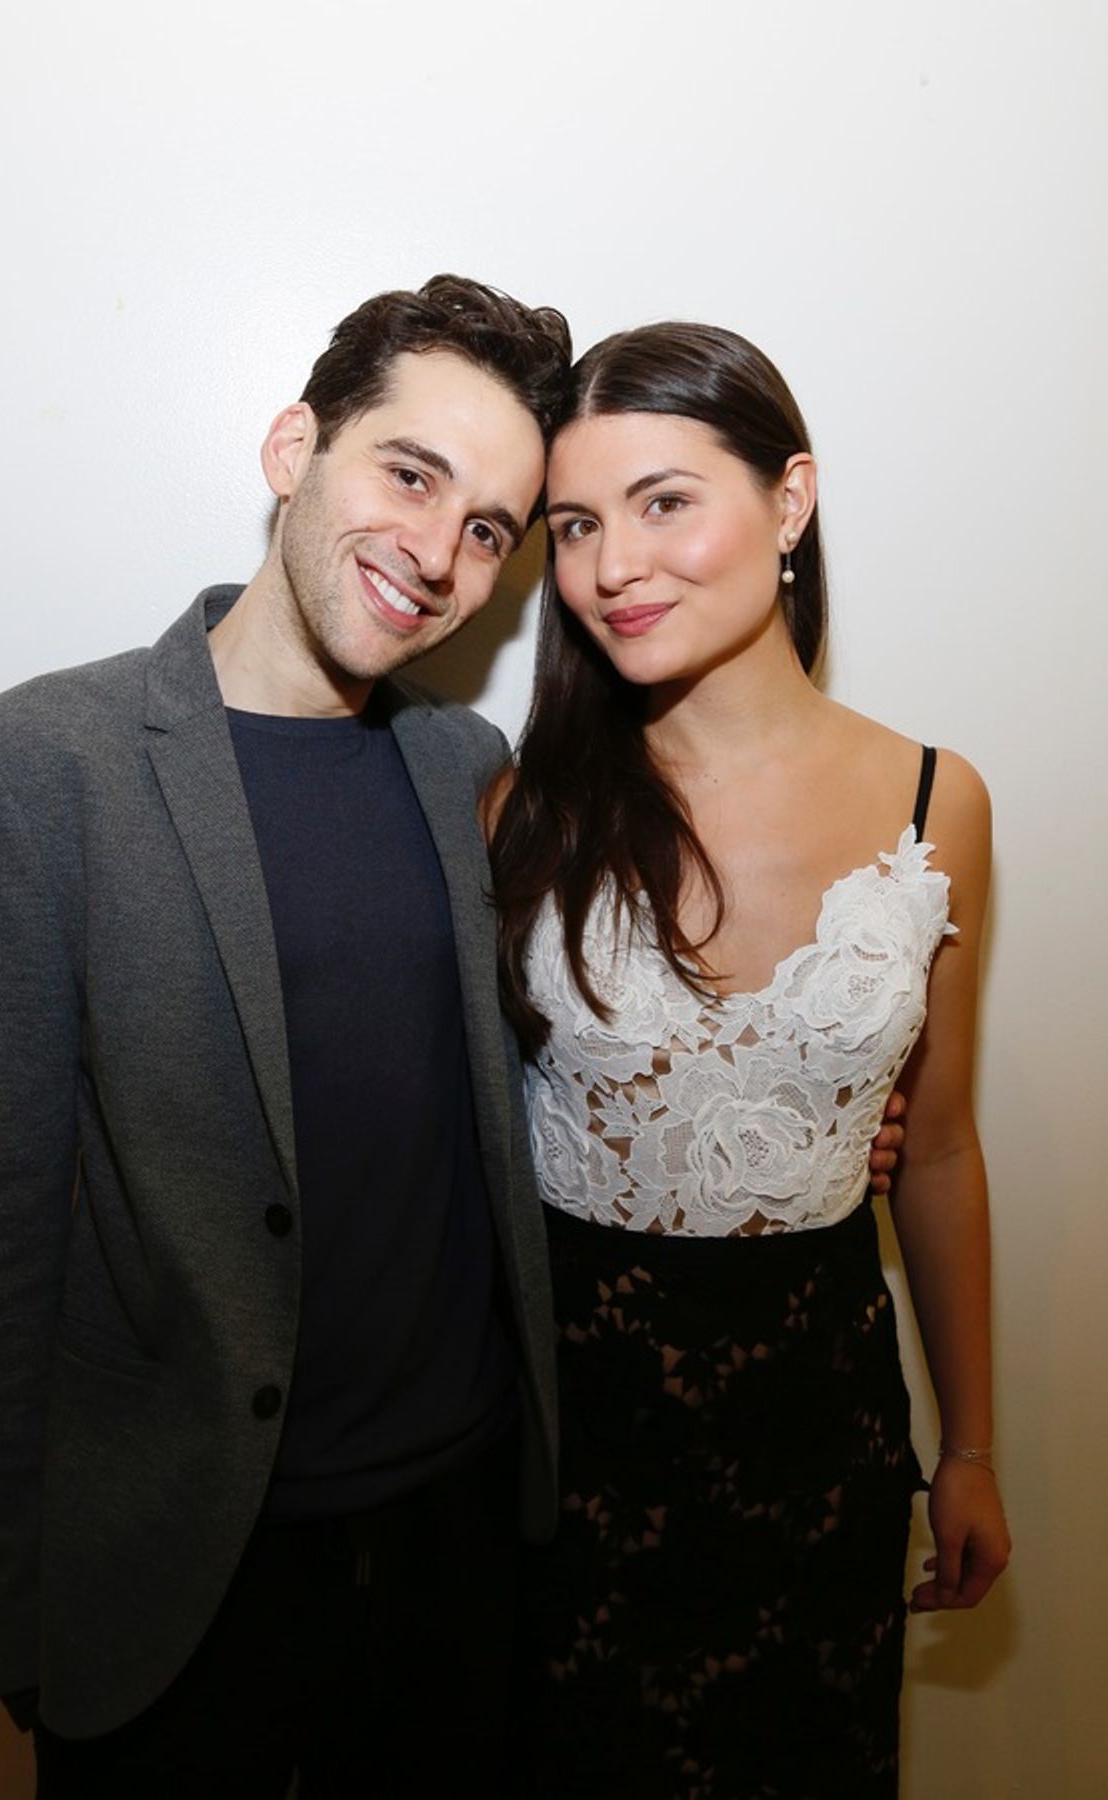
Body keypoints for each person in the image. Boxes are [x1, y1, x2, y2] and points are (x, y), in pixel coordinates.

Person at [0, 274, 573, 1798]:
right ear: (295, 448)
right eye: (410, 475)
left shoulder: (466, 762)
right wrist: (18, 1621)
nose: (438, 553)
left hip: (462, 1541)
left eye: (489, 530)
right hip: (185, 1582)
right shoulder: (29, 769)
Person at [489, 322, 1011, 1798]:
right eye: (576, 526)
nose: (609, 566)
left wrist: (968, 1444)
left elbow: (947, 1145)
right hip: (565, 1442)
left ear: (789, 502)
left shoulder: (935, 799)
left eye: (664, 502)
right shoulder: (522, 809)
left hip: (816, 1424)